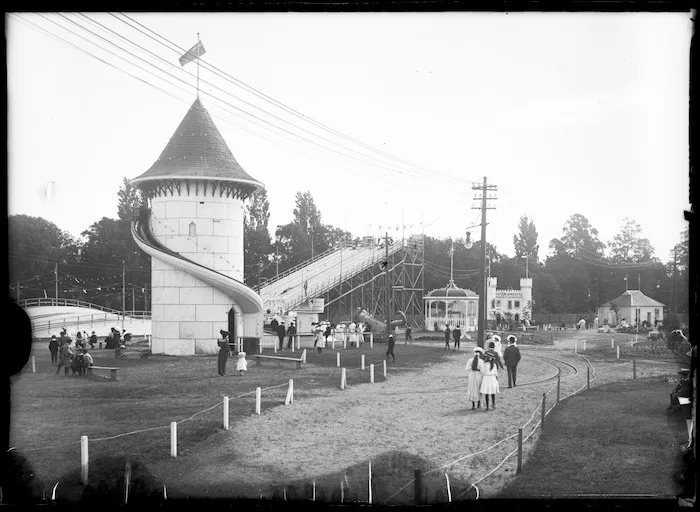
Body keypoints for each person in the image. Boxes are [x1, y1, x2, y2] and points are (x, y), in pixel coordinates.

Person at [480, 343, 504, 410]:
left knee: (486, 392)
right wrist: (502, 367)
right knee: (493, 392)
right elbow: (499, 361)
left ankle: (487, 406)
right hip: (492, 377)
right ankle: (493, 404)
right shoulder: (495, 354)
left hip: (486, 378)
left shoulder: (486, 355)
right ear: (494, 347)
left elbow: (482, 371)